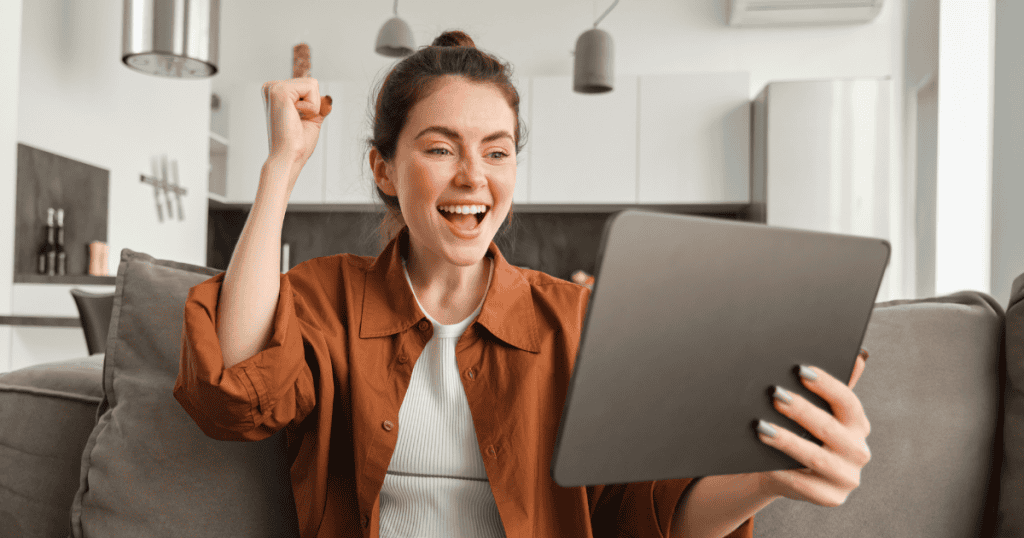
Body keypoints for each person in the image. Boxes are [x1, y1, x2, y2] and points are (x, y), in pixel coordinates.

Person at [174, 30, 871, 538]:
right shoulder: (324, 298)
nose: (474, 177)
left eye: (497, 151)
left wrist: (770, 477)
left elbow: (650, 519)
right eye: (440, 148)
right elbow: (231, 394)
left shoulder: (581, 323)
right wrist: (281, 168)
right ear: (384, 170)